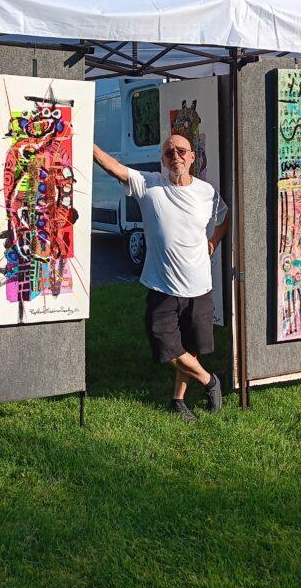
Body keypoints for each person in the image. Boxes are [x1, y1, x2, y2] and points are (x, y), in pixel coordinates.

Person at [93, 134, 230, 421]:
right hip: (163, 286)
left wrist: (213, 242)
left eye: (181, 151)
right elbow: (113, 167)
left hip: (200, 286)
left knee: (190, 347)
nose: (175, 156)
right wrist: (86, 142)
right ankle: (210, 381)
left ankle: (178, 401)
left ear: (192, 157)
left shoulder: (207, 192)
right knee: (165, 344)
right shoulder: (149, 184)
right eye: (169, 152)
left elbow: (223, 216)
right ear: (163, 160)